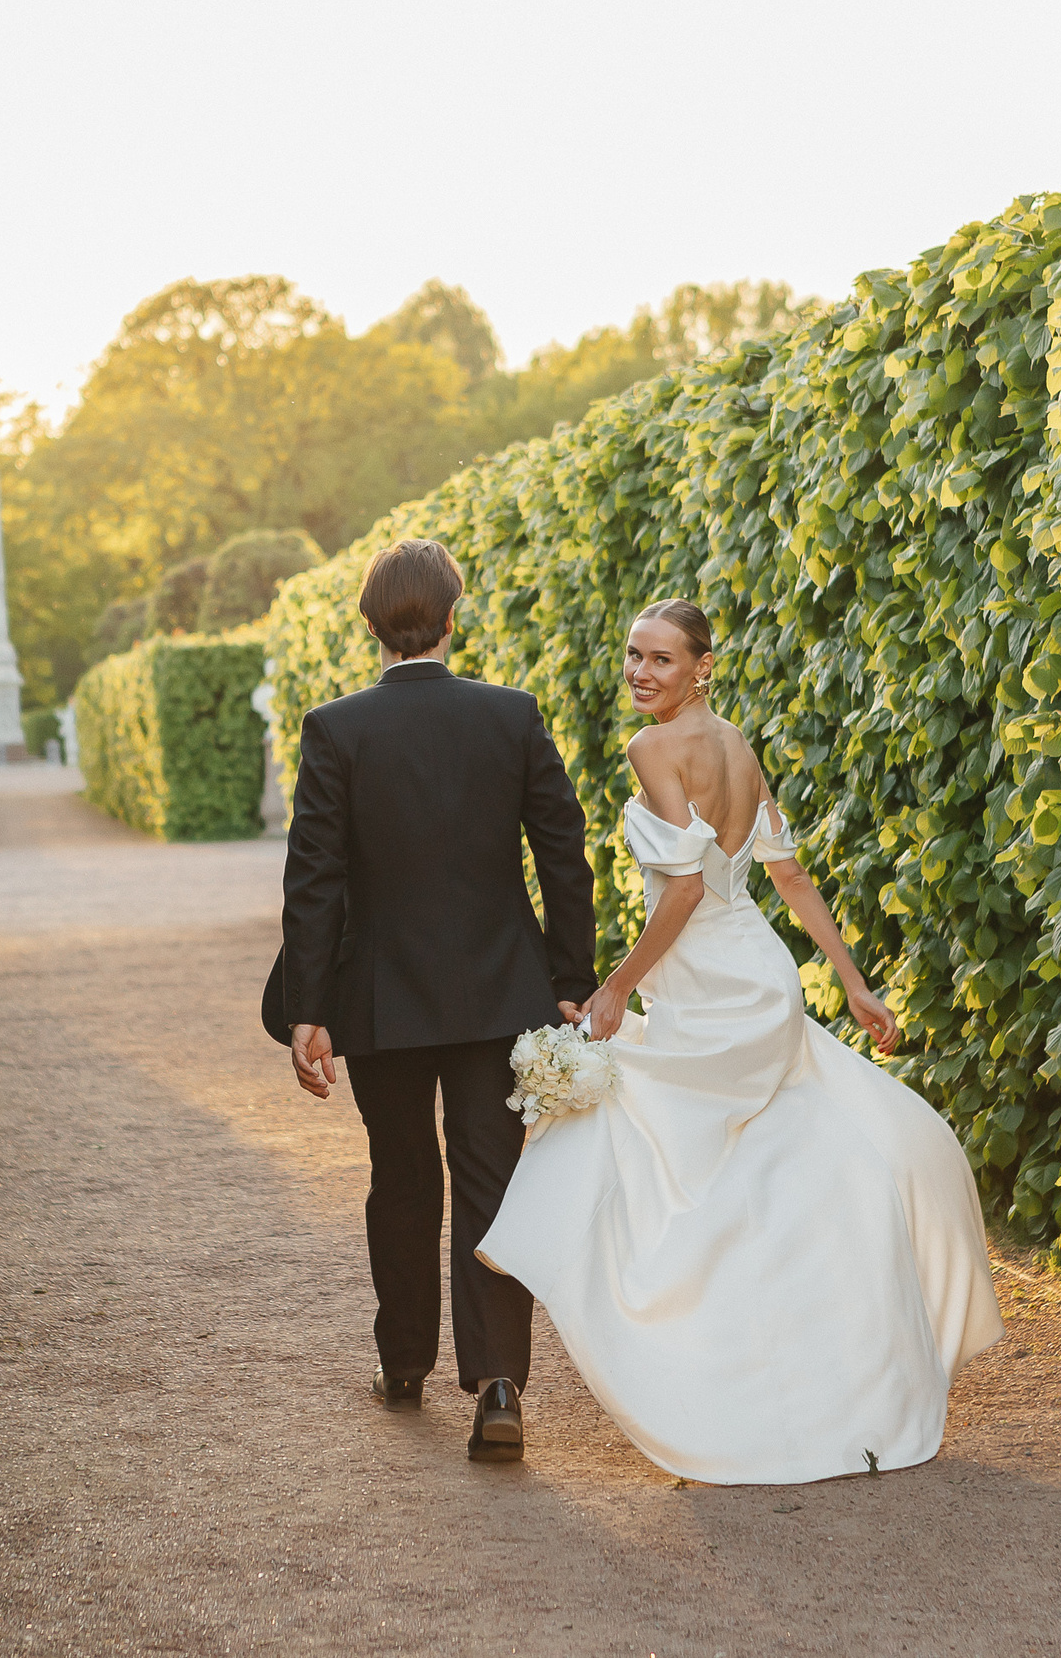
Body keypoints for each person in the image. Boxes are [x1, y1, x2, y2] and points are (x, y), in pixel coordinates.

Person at [477, 597, 1003, 1485]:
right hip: (758, 975)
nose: (642, 673)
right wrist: (849, 977)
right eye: (634, 656)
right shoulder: (740, 747)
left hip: (710, 981)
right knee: (765, 1164)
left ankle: (701, 1354)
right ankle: (806, 1353)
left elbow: (681, 894)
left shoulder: (653, 750)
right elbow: (789, 878)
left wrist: (615, 987)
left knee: (654, 1144)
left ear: (701, 667)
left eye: (662, 660)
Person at [280, 539, 598, 1464]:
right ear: (454, 617)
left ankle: (406, 1361)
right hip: (502, 991)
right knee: (492, 1183)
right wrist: (569, 980)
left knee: (405, 1178)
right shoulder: (511, 716)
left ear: (370, 626)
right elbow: (563, 852)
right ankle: (498, 1385)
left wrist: (310, 1008)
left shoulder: (335, 728)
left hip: (381, 999)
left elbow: (315, 880)